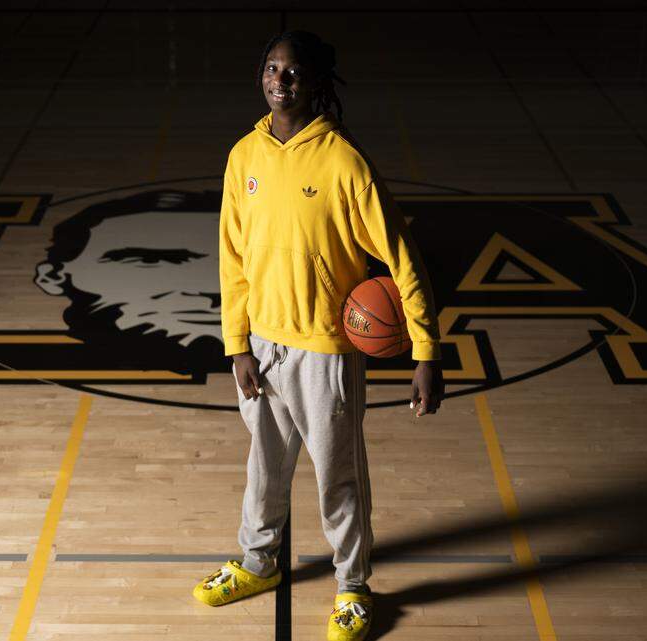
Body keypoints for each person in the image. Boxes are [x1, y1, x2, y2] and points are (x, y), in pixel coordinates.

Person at [193, 31, 444, 641]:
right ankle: (258, 563)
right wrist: (236, 344)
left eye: (295, 71)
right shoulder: (242, 157)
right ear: (261, 76)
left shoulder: (342, 160)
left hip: (325, 353)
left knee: (339, 478)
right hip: (264, 346)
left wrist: (426, 351)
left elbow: (402, 258)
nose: (281, 79)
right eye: (272, 68)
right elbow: (232, 259)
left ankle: (353, 586)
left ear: (318, 83)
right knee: (264, 467)